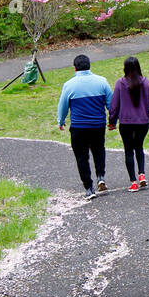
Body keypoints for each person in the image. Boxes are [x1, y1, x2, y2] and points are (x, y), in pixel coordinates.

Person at [57, 54, 113, 198]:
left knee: (81, 157)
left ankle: (89, 187)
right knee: (99, 150)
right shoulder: (102, 81)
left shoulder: (69, 85)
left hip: (78, 126)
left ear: (74, 68)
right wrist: (112, 120)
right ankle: (101, 176)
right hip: (98, 125)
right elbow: (111, 104)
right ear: (89, 65)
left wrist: (61, 121)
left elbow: (63, 106)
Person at [108, 55, 149, 192]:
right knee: (139, 147)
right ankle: (142, 174)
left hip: (125, 123)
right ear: (138, 67)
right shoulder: (146, 82)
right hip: (143, 122)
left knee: (128, 150)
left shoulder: (120, 83)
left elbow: (114, 105)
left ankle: (133, 182)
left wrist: (112, 121)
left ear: (125, 68)